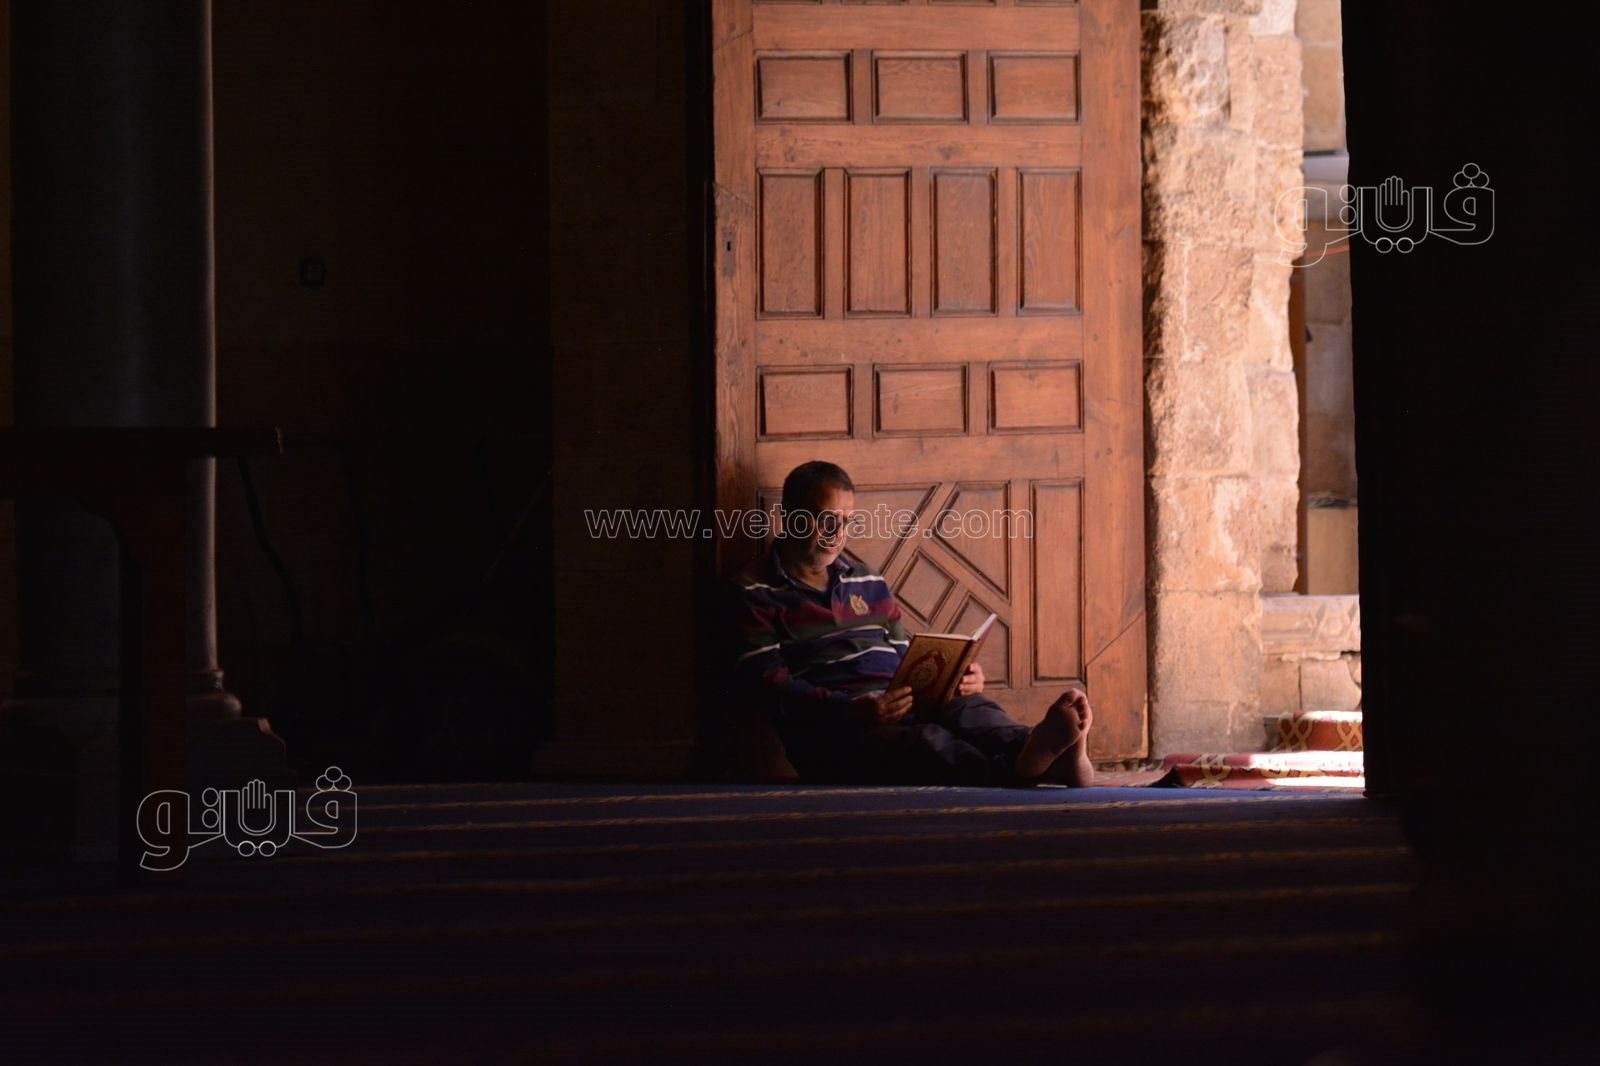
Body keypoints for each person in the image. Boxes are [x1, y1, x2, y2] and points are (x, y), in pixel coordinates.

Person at [730, 460, 1094, 787]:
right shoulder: (754, 590)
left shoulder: (866, 580)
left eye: (845, 522)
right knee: (925, 743)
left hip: (901, 702)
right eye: (824, 519)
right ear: (790, 515)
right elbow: (770, 687)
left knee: (970, 710)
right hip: (836, 731)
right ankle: (1031, 769)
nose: (836, 533)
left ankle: (1040, 749)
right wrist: (850, 709)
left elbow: (905, 658)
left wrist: (954, 677)